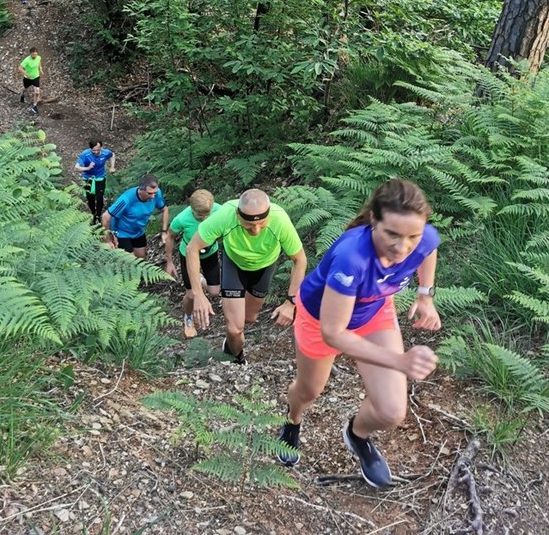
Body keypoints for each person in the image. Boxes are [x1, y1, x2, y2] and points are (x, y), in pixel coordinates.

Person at [277, 178, 441, 488]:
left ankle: (357, 435)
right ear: (373, 221)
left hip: (374, 311)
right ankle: (292, 420)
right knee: (309, 390)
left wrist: (425, 295)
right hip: (320, 319)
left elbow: (428, 248)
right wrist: (399, 361)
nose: (402, 247)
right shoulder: (352, 258)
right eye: (392, 234)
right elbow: (334, 334)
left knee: (392, 411)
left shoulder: (423, 238)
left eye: (412, 236)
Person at [187, 189, 307, 364]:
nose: (256, 230)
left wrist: (291, 302)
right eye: (249, 225)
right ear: (238, 215)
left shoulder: (279, 219)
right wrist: (198, 294)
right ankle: (235, 357)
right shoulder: (225, 215)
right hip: (234, 265)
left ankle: (231, 342)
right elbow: (192, 248)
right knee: (235, 329)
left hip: (264, 268)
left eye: (262, 224)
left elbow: (300, 259)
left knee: (249, 319)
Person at [163, 189, 222, 338]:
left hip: (210, 252)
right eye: (200, 215)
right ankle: (188, 319)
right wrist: (169, 261)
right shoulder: (182, 219)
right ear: (191, 209)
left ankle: (200, 279)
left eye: (207, 214)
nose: (204, 218)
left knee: (214, 292)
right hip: (188, 254)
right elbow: (170, 237)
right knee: (191, 294)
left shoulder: (219, 211)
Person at [102, 174, 168, 259]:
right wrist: (107, 240)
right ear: (141, 190)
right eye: (149, 193)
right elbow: (106, 216)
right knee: (131, 262)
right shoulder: (127, 199)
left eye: (155, 193)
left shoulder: (156, 194)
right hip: (122, 233)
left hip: (139, 231)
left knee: (141, 260)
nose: (153, 196)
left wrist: (164, 231)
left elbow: (165, 209)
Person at [75, 139, 116, 224]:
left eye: (98, 149)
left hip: (100, 178)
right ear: (90, 149)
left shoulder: (105, 152)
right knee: (90, 199)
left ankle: (98, 215)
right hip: (88, 179)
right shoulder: (85, 154)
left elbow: (112, 155)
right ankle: (93, 214)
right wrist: (87, 168)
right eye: (94, 150)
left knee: (100, 197)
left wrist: (112, 167)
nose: (96, 152)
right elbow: (77, 167)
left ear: (101, 147)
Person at [19, 47, 42, 115]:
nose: (35, 55)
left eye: (36, 54)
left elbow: (39, 64)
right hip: (27, 78)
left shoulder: (38, 57)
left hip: (36, 77)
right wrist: (26, 74)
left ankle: (34, 106)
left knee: (37, 92)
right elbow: (20, 68)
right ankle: (22, 95)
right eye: (33, 54)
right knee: (25, 88)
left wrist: (41, 69)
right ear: (31, 54)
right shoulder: (27, 60)